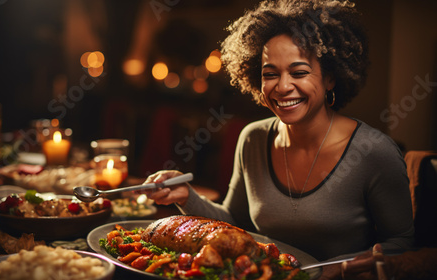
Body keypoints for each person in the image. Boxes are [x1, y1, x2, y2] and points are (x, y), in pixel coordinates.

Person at [144, 0, 414, 271]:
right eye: (270, 74)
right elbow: (235, 221)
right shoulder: (252, 138)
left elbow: (403, 241)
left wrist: (357, 264)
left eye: (299, 72)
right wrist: (185, 196)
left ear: (330, 78)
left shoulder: (374, 152)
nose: (283, 87)